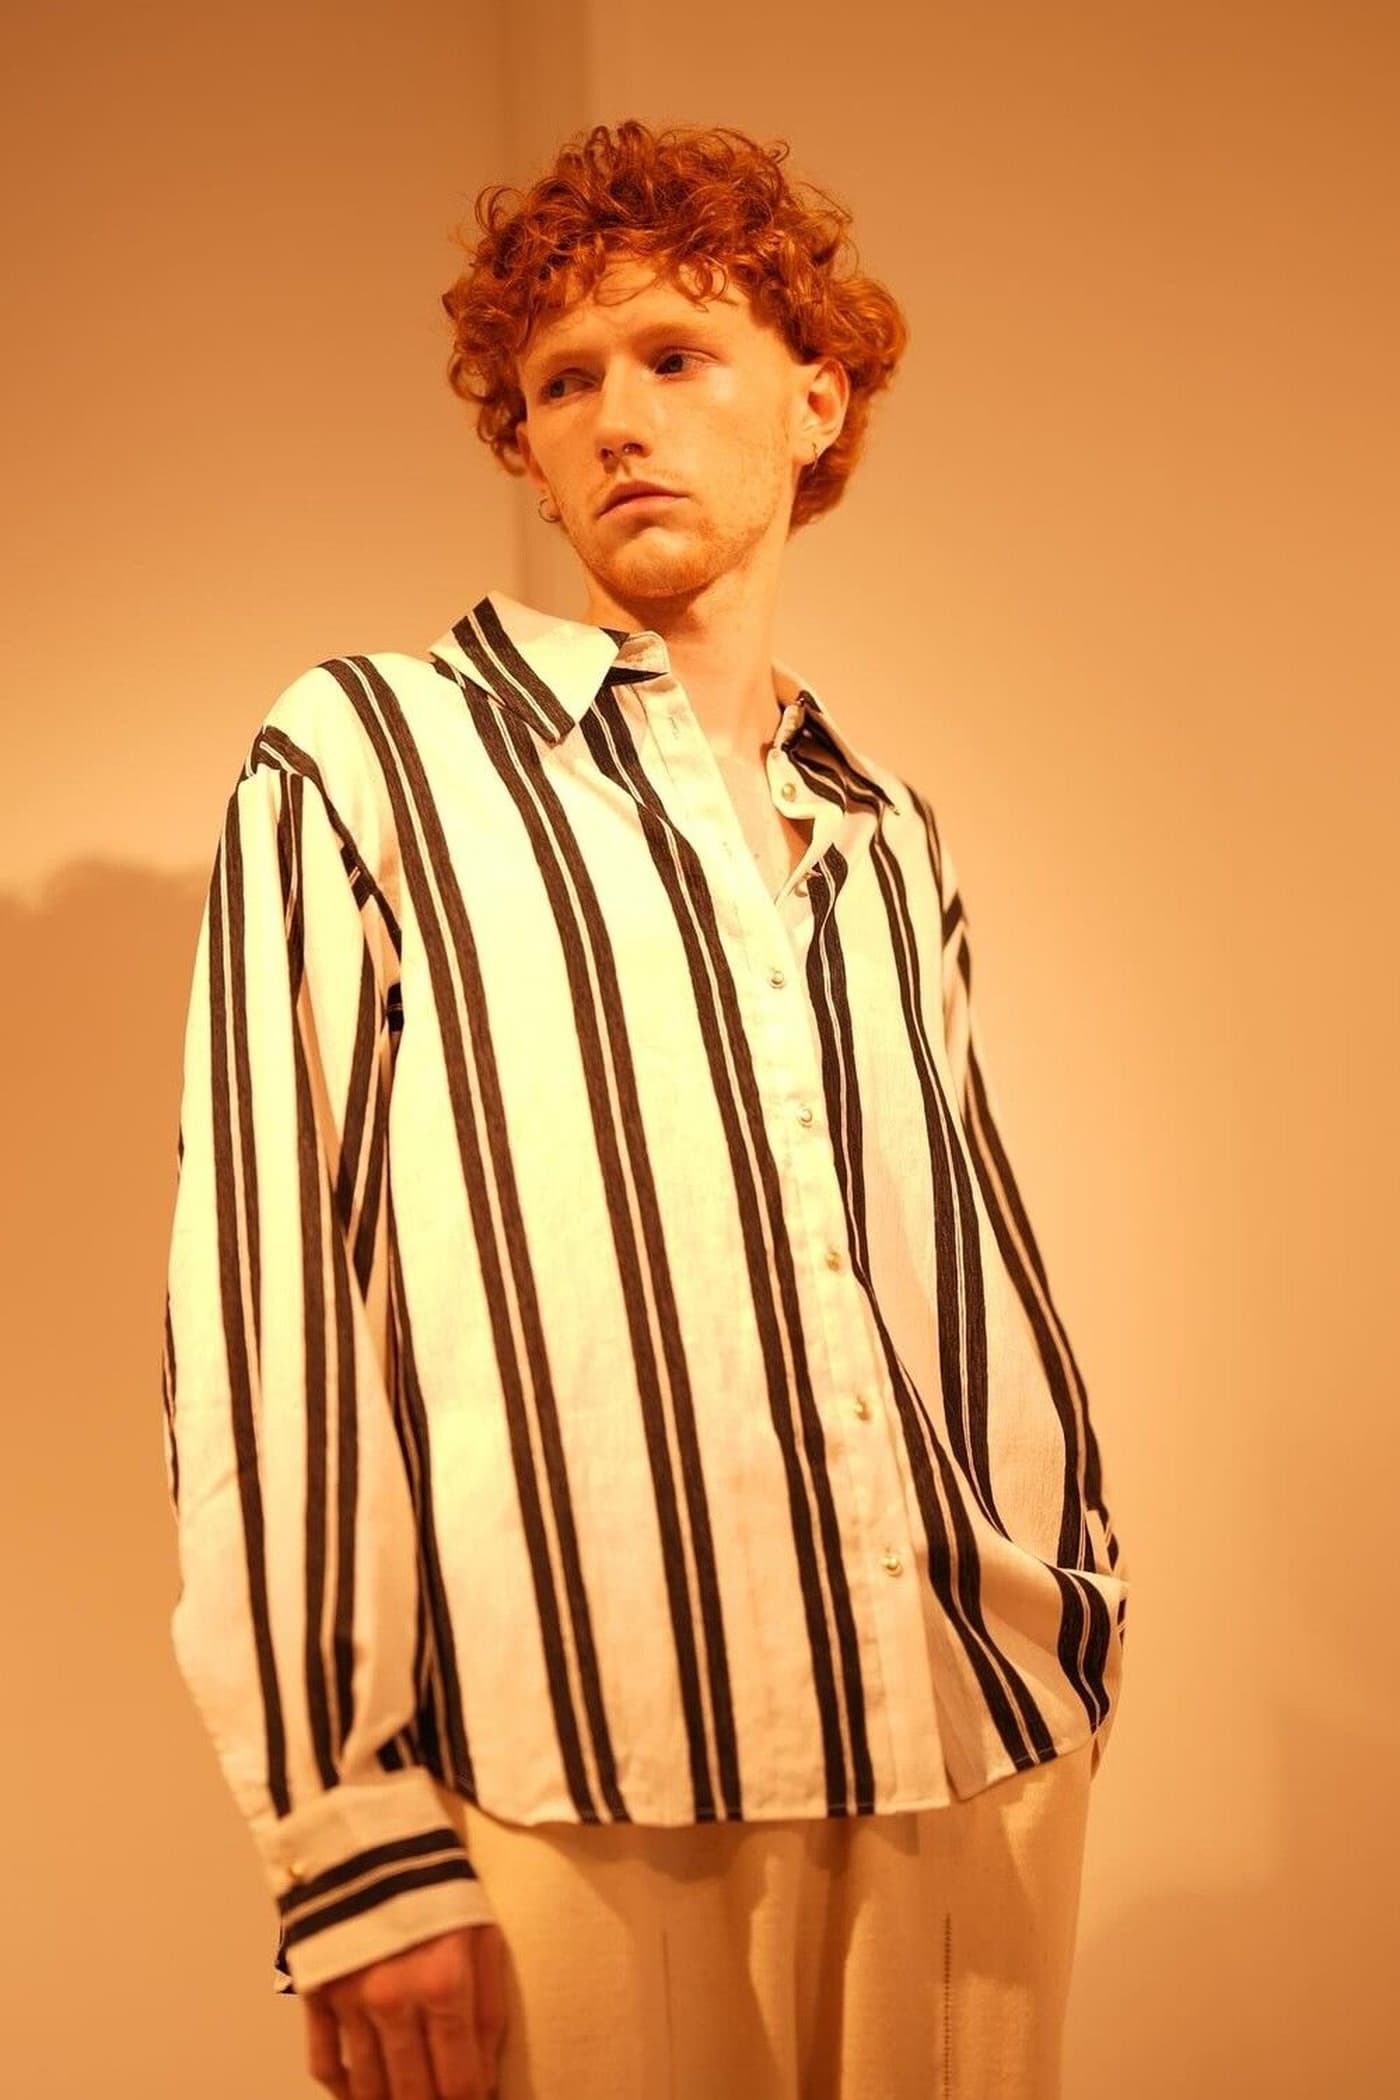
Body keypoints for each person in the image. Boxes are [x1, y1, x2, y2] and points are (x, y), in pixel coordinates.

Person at [160, 118, 1129, 2100]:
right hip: (573, 1781)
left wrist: (1075, 1591)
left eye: (676, 356)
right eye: (561, 385)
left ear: (813, 396)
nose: (615, 419)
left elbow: (952, 1266)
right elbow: (267, 1303)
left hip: (966, 1746)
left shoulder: (879, 829)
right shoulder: (369, 755)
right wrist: (349, 1837)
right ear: (527, 449)